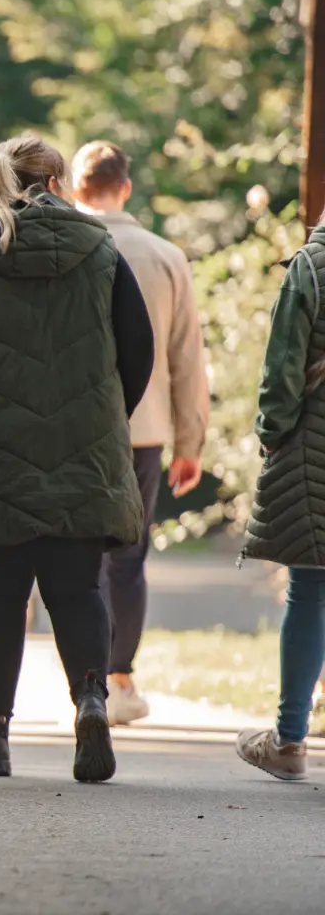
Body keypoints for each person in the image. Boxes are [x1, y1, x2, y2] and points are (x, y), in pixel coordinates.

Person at [0, 134, 153, 781]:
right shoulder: (101, 250)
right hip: (85, 446)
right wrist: (104, 415)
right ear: (60, 181)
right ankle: (91, 701)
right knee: (77, 590)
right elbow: (138, 349)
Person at [71, 141, 210, 726]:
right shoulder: (165, 255)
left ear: (75, 190)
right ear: (125, 187)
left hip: (73, 429)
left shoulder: (68, 252)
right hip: (146, 430)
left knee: (78, 560)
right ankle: (121, 678)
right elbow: (186, 357)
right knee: (129, 558)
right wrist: (190, 442)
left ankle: (85, 682)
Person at [235, 209, 325, 781]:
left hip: (315, 443)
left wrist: (271, 431)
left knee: (311, 588)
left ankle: (290, 741)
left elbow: (285, 363)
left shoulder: (313, 265)